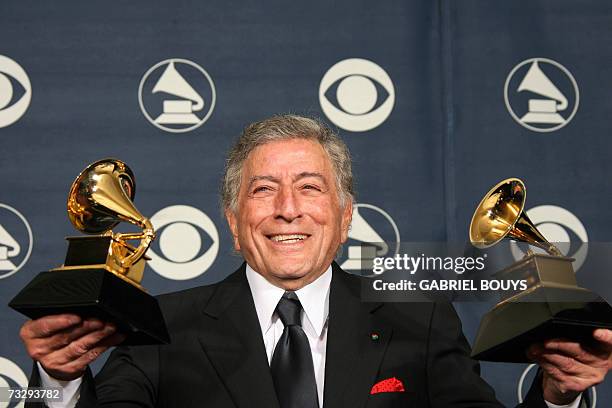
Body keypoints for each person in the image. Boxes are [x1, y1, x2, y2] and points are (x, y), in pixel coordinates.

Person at [20, 115, 612, 407]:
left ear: (345, 214)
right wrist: (58, 382)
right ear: (231, 220)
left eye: (309, 187)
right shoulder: (160, 327)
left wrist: (559, 396)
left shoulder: (421, 318)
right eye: (262, 190)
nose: (287, 211)